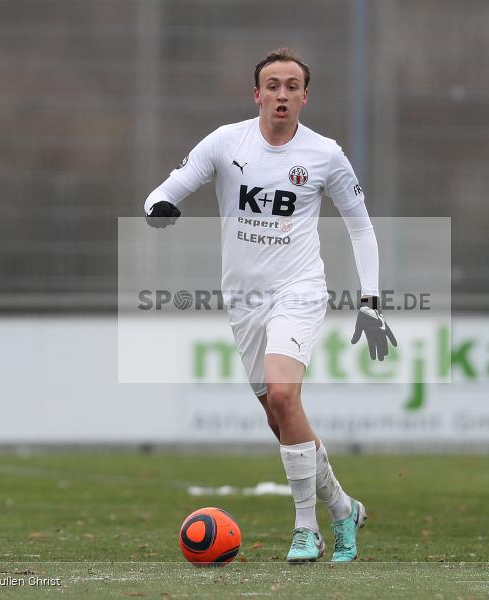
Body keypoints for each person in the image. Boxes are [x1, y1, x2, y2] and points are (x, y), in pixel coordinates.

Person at [143, 48, 396, 563]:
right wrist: (159, 207)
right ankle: (344, 508)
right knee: (281, 417)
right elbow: (163, 192)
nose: (282, 94)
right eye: (273, 85)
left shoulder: (325, 154)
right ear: (257, 94)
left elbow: (361, 227)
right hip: (244, 301)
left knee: (284, 394)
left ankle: (307, 529)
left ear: (306, 95)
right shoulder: (225, 142)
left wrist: (370, 301)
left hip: (299, 290)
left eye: (292, 86)